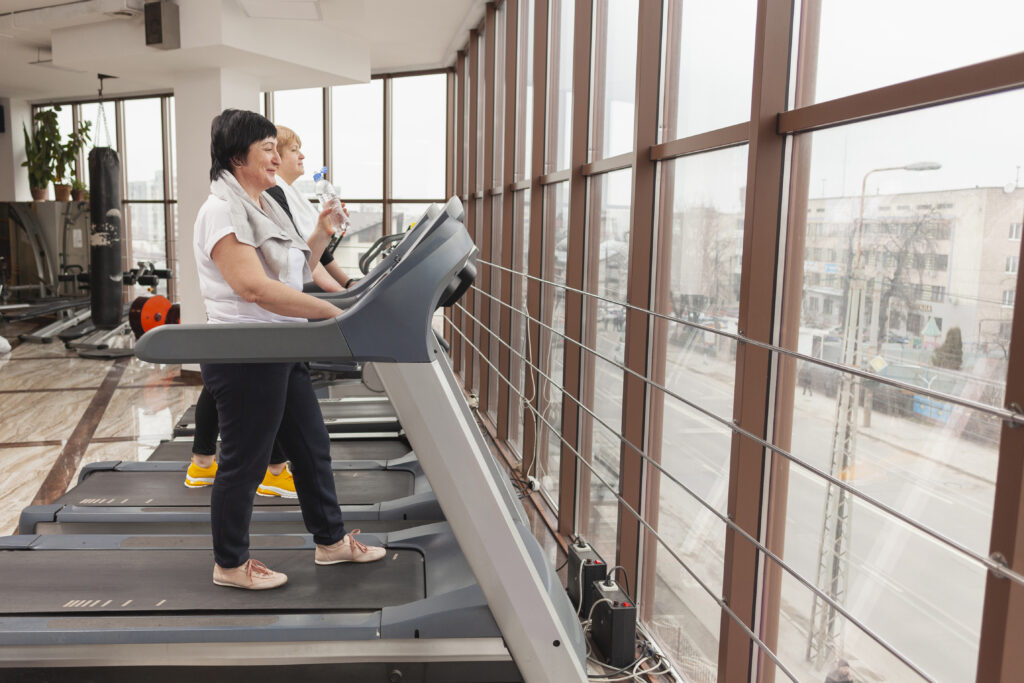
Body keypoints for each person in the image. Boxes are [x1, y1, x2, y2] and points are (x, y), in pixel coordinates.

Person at [195, 108, 385, 590]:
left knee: (310, 446)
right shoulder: (220, 210)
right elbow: (253, 288)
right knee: (245, 461)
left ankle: (331, 542)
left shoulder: (264, 203)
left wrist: (322, 230)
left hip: (281, 345)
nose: (278, 157)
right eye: (268, 149)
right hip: (246, 353)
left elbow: (295, 267)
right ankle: (230, 564)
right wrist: (335, 313)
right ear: (239, 157)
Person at [273, 125, 357, 291]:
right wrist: (344, 294)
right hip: (297, 283)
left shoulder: (292, 192)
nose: (302, 156)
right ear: (275, 157)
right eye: (294, 150)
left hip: (305, 276)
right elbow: (303, 253)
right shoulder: (274, 192)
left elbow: (320, 253)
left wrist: (348, 283)